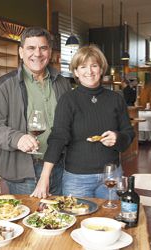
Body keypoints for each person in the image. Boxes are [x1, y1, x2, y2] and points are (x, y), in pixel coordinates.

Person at [31, 45, 135, 199]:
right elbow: (58, 137)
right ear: (76, 72)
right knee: (78, 221)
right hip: (77, 179)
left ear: (101, 69)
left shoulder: (116, 99)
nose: (89, 71)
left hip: (111, 176)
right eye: (83, 66)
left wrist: (117, 137)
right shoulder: (68, 100)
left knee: (110, 221)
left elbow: (128, 134)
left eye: (94, 65)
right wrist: (44, 177)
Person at [0, 26, 72, 195]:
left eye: (43, 48)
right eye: (31, 48)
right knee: (27, 218)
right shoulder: (3, 86)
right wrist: (17, 138)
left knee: (59, 217)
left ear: (50, 52)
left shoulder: (62, 83)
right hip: (24, 170)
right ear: (21, 52)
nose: (37, 54)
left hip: (60, 165)